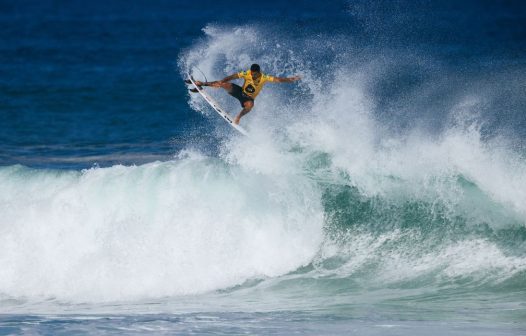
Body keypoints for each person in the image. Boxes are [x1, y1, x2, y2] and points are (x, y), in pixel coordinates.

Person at [188, 64, 300, 124]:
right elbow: (233, 76)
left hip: (248, 99)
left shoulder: (264, 77)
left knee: (251, 105)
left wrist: (290, 79)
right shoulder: (247, 73)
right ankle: (200, 84)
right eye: (252, 73)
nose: (253, 75)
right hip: (239, 92)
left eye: (255, 74)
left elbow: (278, 80)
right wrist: (223, 81)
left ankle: (238, 117)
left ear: (259, 72)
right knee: (226, 84)